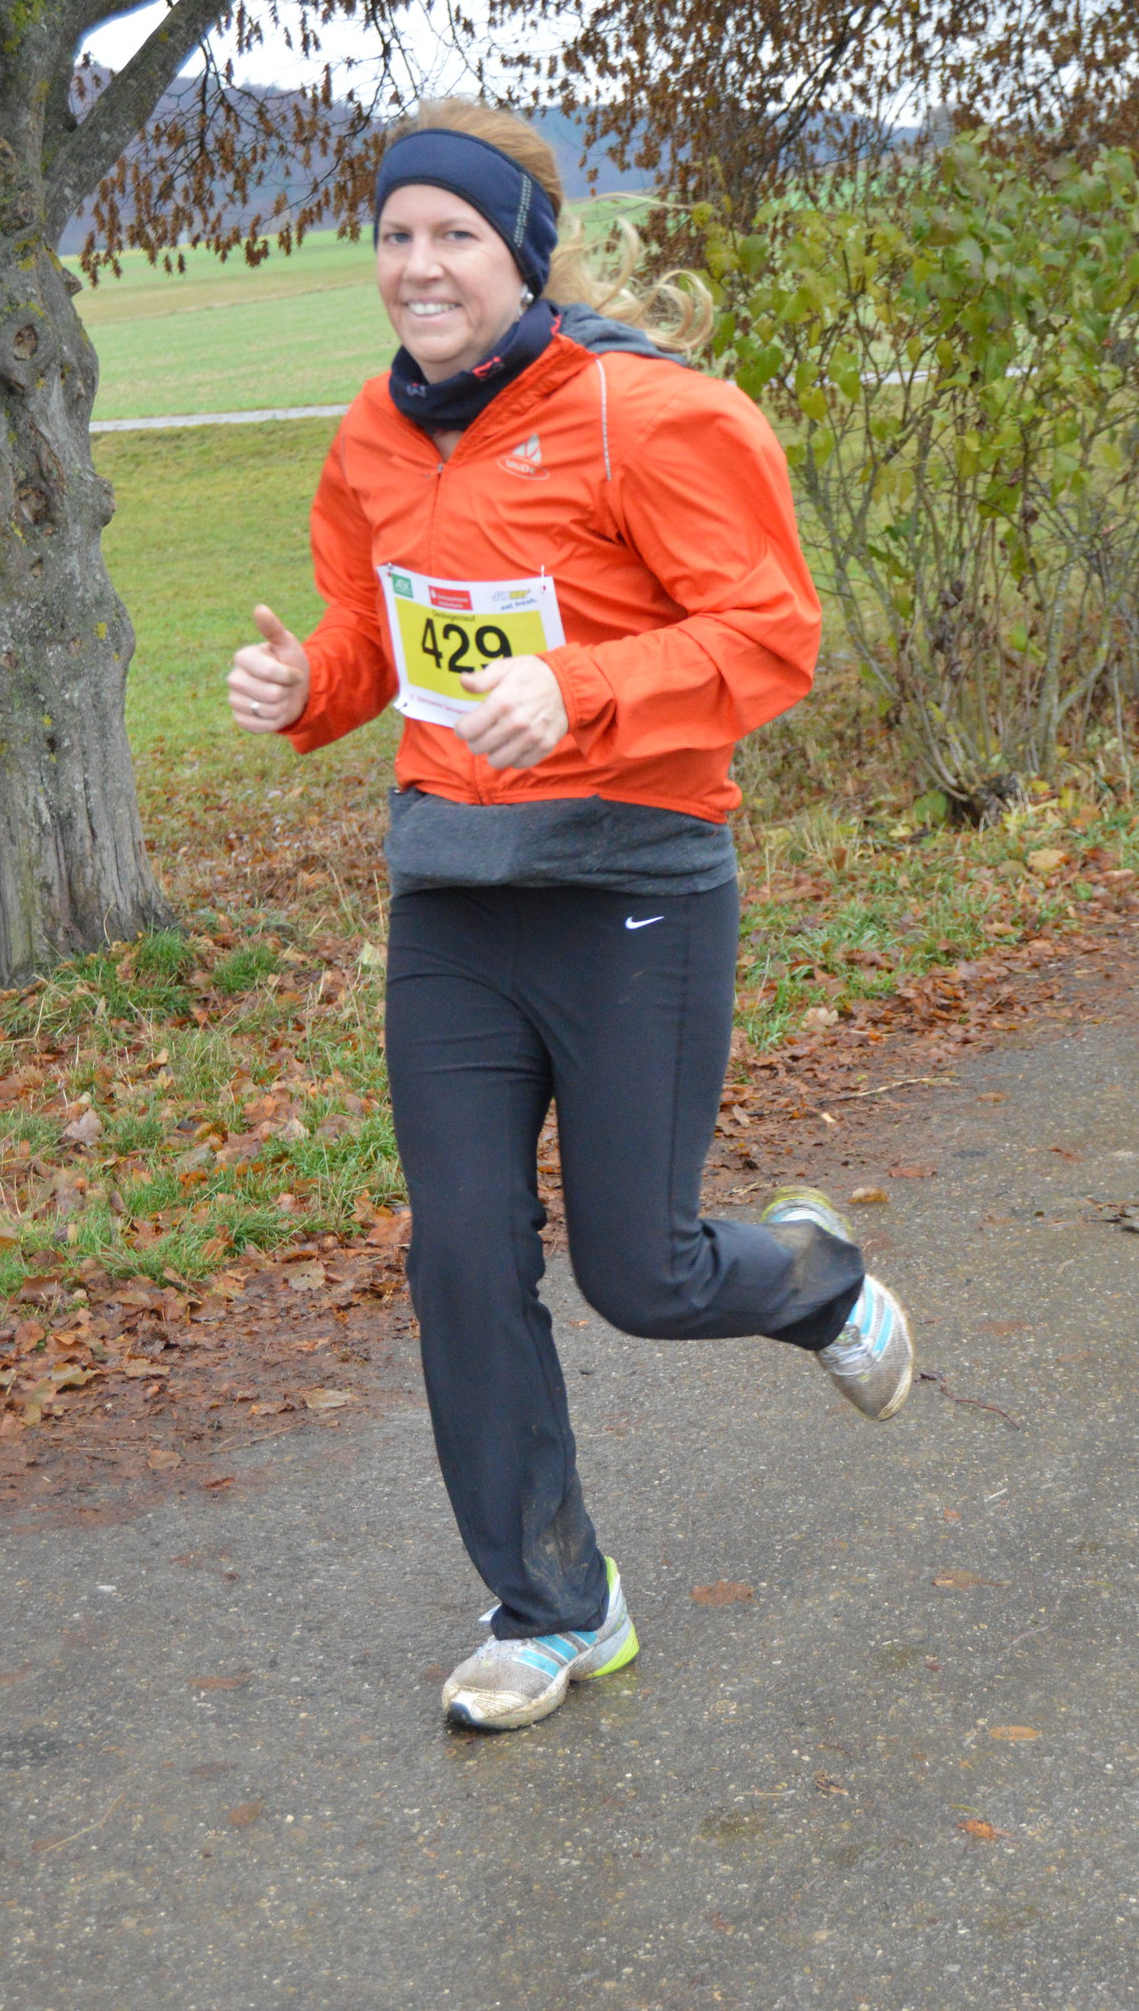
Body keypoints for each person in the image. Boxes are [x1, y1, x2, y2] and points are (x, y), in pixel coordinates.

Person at [227, 100, 915, 1733]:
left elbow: (772, 635)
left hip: (632, 890)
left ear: (525, 254)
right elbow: (376, 638)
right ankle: (552, 1604)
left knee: (643, 1271)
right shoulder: (374, 436)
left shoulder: (649, 416)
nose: (418, 265)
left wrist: (580, 687)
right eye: (396, 235)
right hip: (456, 897)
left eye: (455, 235)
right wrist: (306, 682)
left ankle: (815, 1274)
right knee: (461, 1257)